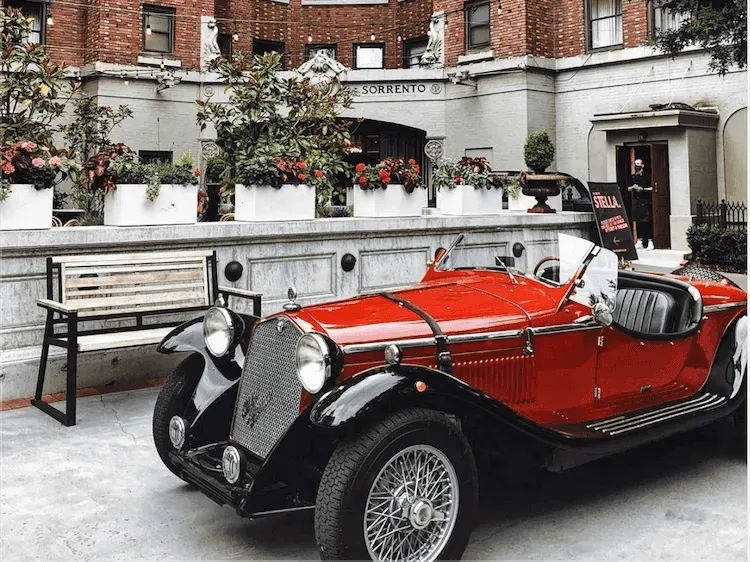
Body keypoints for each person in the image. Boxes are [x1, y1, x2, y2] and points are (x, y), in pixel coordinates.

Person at [628, 159, 654, 250]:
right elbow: (628, 188)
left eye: (638, 164)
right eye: (635, 164)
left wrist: (642, 189)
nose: (636, 166)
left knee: (646, 221)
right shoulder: (633, 176)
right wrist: (633, 187)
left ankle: (650, 241)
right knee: (637, 221)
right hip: (636, 201)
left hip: (645, 200)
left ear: (642, 165)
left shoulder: (648, 176)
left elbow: (652, 188)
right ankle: (639, 241)